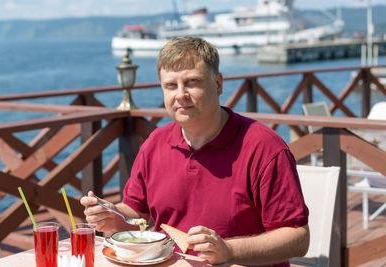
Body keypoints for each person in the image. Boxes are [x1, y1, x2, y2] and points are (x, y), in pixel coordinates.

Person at [81, 36, 309, 266]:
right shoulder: (155, 142)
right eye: (170, 85)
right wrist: (113, 216)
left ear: (218, 84)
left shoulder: (265, 147)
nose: (180, 94)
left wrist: (229, 249)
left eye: (192, 82)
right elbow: (136, 212)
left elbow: (297, 238)